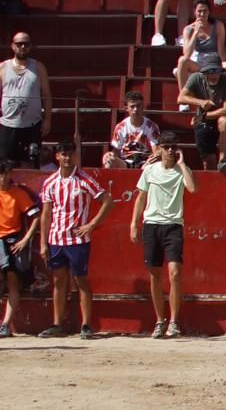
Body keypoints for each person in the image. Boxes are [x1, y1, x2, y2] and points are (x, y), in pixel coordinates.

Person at [37, 140, 110, 339]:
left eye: (70, 154)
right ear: (57, 157)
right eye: (64, 154)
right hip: (56, 238)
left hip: (77, 240)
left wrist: (92, 224)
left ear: (74, 156)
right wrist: (43, 242)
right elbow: (46, 214)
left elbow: (106, 200)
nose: (67, 158)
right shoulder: (50, 182)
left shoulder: (84, 179)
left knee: (81, 281)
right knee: (59, 282)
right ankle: (57, 323)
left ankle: (86, 324)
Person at [129, 133, 195, 338]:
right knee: (154, 274)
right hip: (152, 224)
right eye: (166, 147)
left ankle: (174, 321)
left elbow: (193, 188)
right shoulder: (149, 170)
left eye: (172, 147)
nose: (169, 151)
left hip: (173, 224)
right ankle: (160, 320)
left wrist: (183, 165)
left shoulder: (182, 171)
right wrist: (133, 223)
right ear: (159, 149)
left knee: (175, 272)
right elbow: (141, 198)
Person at [176, 55, 226, 171]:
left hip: (214, 118)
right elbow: (181, 98)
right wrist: (200, 102)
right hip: (204, 121)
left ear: (221, 71)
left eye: (216, 71)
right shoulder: (196, 78)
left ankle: (223, 161)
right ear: (204, 72)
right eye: (210, 71)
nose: (213, 74)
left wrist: (203, 117)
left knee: (225, 120)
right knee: (209, 161)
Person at [0, 160, 40, 337]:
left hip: (12, 241)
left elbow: (36, 216)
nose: (2, 178)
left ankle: (5, 324)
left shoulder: (17, 193)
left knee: (12, 281)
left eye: (5, 174)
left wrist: (26, 239)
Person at [2, 31, 51, 166]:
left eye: (26, 44)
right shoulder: (3, 68)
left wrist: (47, 119)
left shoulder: (39, 67)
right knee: (6, 166)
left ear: (30, 46)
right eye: (19, 44)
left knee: (30, 165)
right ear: (13, 46)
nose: (22, 47)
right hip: (8, 125)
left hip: (32, 125)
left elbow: (46, 95)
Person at [174, 0, 226, 104]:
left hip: (213, 63)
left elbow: (221, 50)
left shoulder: (218, 25)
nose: (202, 14)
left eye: (205, 11)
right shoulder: (188, 29)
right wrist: (195, 33)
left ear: (209, 12)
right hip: (198, 63)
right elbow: (186, 53)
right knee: (182, 60)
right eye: (199, 11)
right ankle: (184, 98)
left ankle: (216, 93)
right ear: (194, 12)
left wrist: (223, 64)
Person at [103, 92, 159, 169]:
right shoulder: (120, 127)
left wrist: (149, 162)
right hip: (125, 163)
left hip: (145, 162)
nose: (135, 109)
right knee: (109, 161)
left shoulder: (151, 126)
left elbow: (156, 151)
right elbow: (116, 150)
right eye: (132, 106)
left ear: (142, 106)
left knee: (157, 162)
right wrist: (109, 156)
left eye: (138, 106)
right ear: (127, 108)